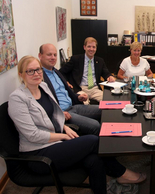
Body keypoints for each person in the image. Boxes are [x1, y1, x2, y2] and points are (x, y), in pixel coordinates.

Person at [8, 56, 146, 194]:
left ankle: (110, 184)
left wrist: (64, 126)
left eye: (38, 69)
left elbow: (54, 114)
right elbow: (32, 135)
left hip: (55, 142)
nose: (36, 74)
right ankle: (122, 173)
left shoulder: (42, 87)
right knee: (94, 140)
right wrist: (63, 135)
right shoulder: (18, 98)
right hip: (39, 154)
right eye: (30, 71)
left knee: (94, 159)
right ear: (21, 74)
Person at [39, 43, 101, 136]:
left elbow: (66, 92)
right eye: (49, 55)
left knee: (104, 109)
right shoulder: (39, 77)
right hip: (63, 113)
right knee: (95, 125)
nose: (53, 57)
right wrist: (58, 113)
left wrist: (78, 97)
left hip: (73, 106)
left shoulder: (56, 72)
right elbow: (42, 104)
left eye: (55, 55)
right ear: (40, 56)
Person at [59, 37, 115, 102]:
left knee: (107, 101)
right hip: (80, 88)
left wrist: (109, 76)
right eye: (89, 46)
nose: (91, 49)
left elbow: (106, 72)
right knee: (84, 103)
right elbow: (61, 72)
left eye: (93, 47)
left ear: (96, 48)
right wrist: (66, 82)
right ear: (84, 47)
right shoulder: (76, 59)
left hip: (95, 89)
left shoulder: (100, 61)